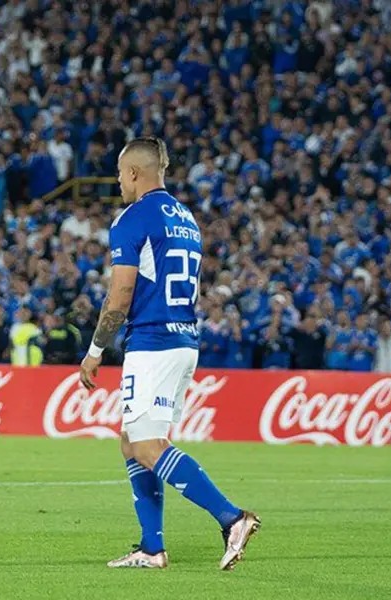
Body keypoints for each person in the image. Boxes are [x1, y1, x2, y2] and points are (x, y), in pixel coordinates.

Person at [78, 137, 259, 571]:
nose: (119, 182)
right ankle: (151, 548)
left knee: (146, 446)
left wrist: (95, 350)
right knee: (133, 442)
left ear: (134, 173)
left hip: (153, 343)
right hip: (183, 339)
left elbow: (120, 295)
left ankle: (231, 517)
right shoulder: (186, 218)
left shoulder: (132, 219)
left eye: (120, 174)